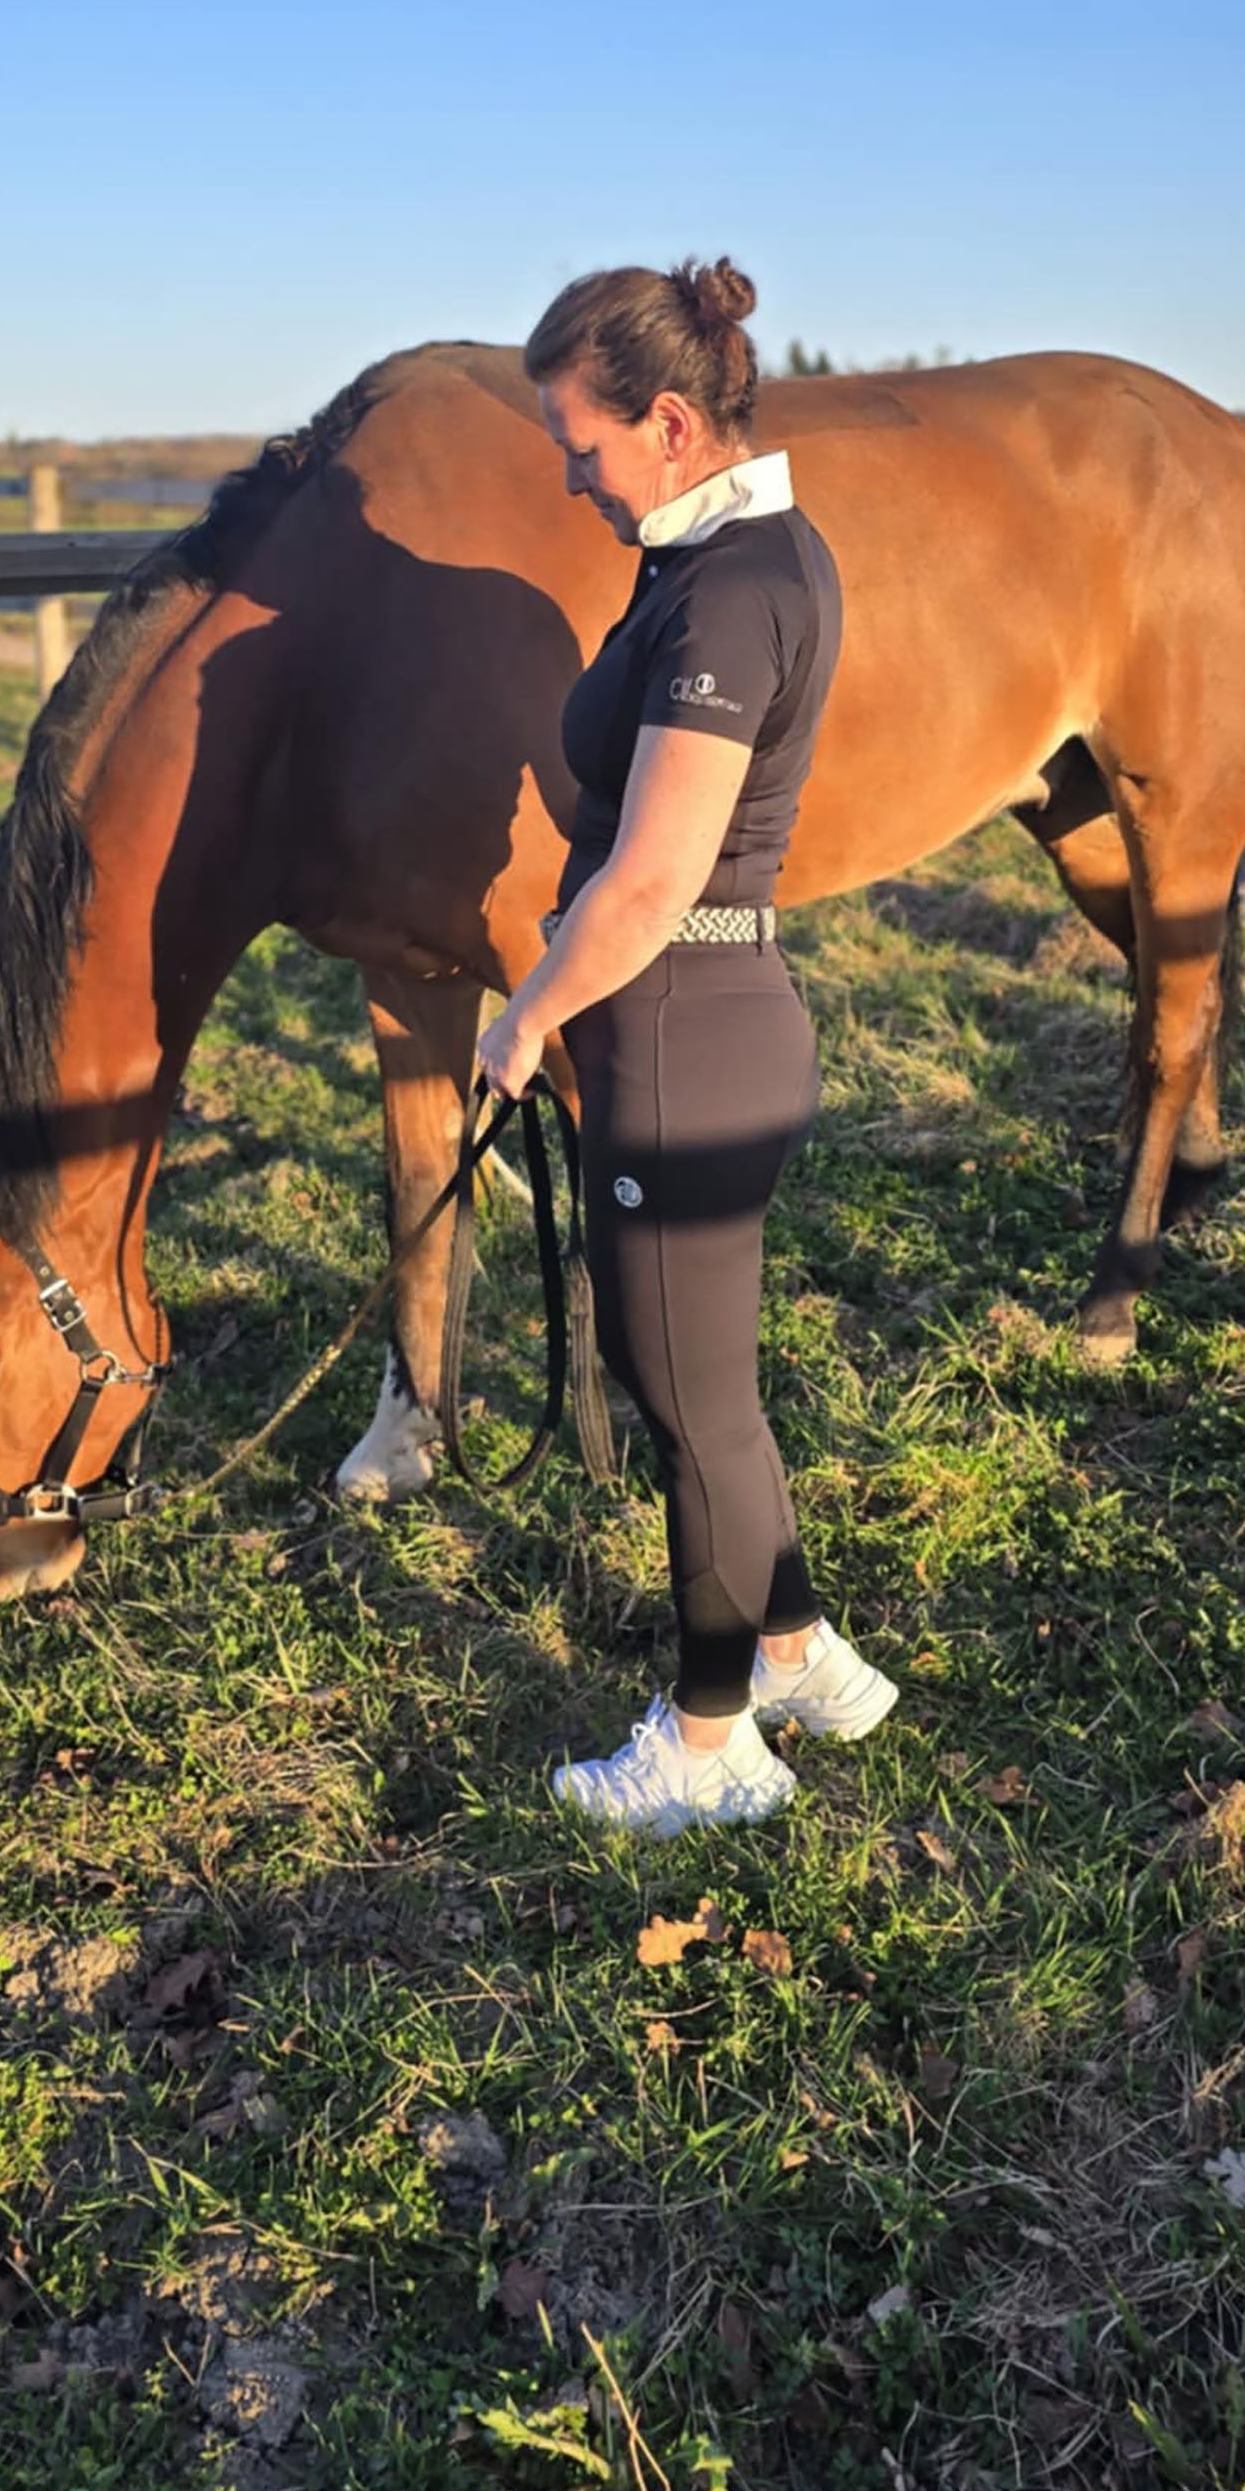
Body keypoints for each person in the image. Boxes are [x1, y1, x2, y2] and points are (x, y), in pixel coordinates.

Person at [475, 257, 899, 1837]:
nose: (572, 477)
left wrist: (528, 1016)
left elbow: (651, 878)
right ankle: (801, 1654)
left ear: (665, 421)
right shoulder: (744, 554)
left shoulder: (726, 589)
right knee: (714, 1388)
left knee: (685, 1398)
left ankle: (707, 1748)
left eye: (581, 445)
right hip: (721, 1020)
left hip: (680, 1029)